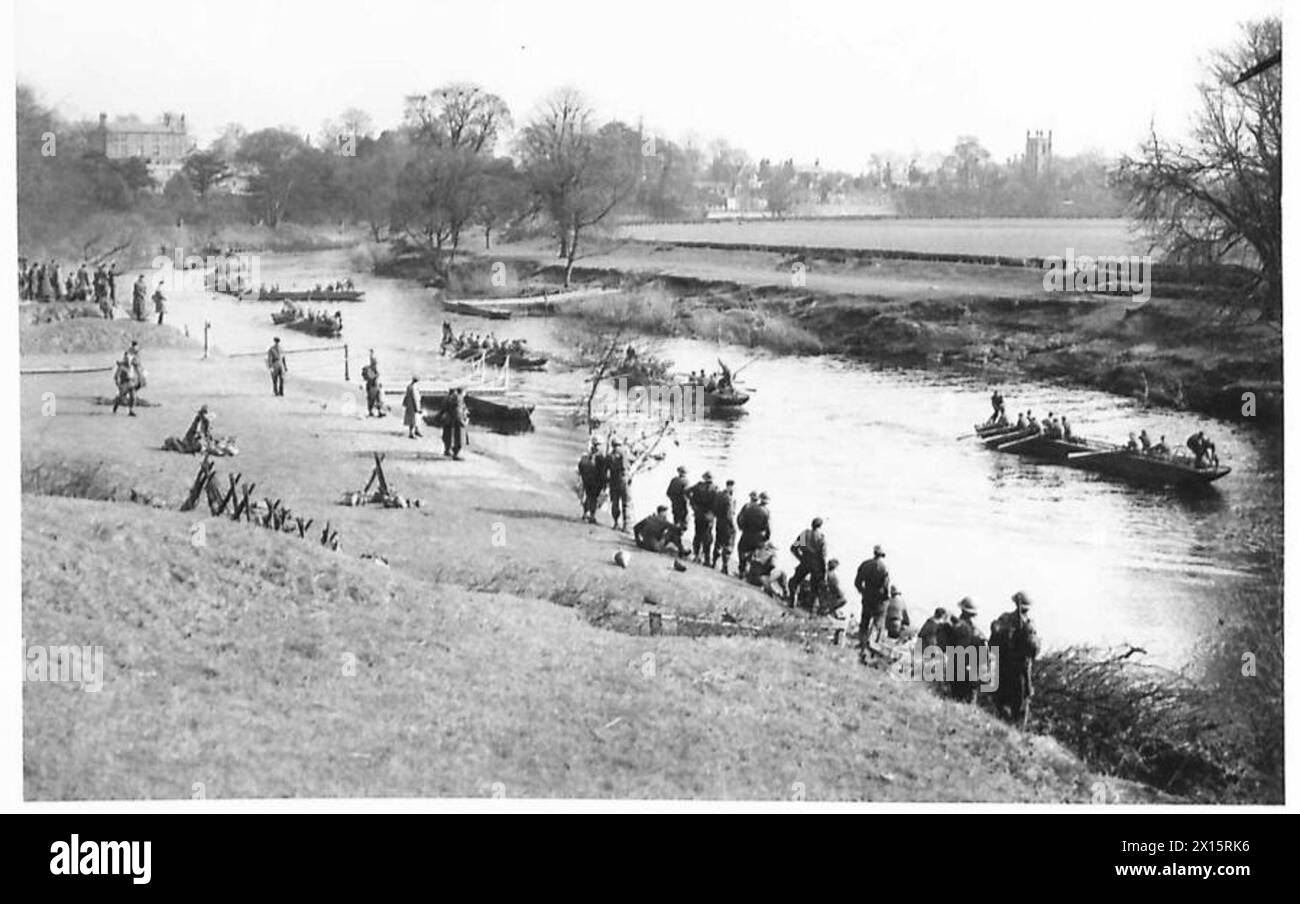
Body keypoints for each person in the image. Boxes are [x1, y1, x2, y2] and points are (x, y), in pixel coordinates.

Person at [989, 591, 1041, 729]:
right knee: (1020, 709)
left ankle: (1001, 730)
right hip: (1020, 672)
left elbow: (992, 644)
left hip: (1003, 669)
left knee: (1001, 704)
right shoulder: (1030, 625)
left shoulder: (1003, 619)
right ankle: (1014, 734)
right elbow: (1034, 651)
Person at [947, 598, 986, 703]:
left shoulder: (956, 627)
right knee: (968, 703)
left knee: (955, 699)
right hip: (971, 672)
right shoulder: (978, 632)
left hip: (956, 669)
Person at [854, 545, 890, 657]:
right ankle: (871, 645)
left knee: (864, 621)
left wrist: (862, 591)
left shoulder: (865, 564)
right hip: (878, 599)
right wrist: (886, 598)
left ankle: (862, 643)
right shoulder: (884, 568)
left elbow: (857, 582)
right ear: (882, 555)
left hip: (867, 596)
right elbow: (886, 587)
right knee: (877, 622)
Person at [789, 517, 827, 610]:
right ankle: (810, 610)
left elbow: (793, 548)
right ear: (820, 526)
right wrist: (824, 572)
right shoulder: (821, 538)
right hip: (816, 565)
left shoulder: (805, 534)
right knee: (814, 588)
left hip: (805, 561)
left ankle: (792, 601)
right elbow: (823, 557)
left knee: (793, 582)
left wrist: (800, 558)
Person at [735, 490, 769, 575]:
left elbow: (742, 519)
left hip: (747, 533)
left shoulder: (750, 508)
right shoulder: (767, 512)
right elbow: (768, 528)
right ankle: (748, 570)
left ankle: (741, 570)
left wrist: (742, 528)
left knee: (741, 550)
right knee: (753, 554)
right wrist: (766, 538)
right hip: (758, 536)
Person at [688, 471, 717, 561]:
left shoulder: (698, 486)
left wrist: (693, 505)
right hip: (708, 516)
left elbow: (687, 491)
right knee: (707, 536)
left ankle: (696, 554)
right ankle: (706, 557)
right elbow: (717, 503)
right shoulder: (715, 489)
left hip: (699, 514)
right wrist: (713, 513)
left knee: (697, 534)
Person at [577, 438, 606, 523]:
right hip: (596, 481)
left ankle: (585, 513)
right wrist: (603, 483)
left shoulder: (587, 455)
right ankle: (592, 516)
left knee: (588, 496)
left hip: (587, 480)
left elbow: (580, 467)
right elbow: (602, 471)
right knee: (593, 498)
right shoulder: (600, 457)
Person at [712, 478, 737, 574]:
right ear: (730, 487)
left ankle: (713, 563)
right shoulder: (729, 498)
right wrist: (733, 526)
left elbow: (714, 508)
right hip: (727, 524)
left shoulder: (719, 495)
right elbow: (729, 515)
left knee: (718, 542)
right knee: (728, 545)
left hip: (719, 521)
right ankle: (724, 566)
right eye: (733, 488)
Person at [605, 439, 629, 529]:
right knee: (625, 504)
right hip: (622, 481)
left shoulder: (609, 456)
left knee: (615, 503)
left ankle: (615, 523)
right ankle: (625, 525)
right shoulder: (623, 454)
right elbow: (624, 467)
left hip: (613, 482)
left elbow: (606, 470)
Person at [440, 387, 468, 458]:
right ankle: (456, 454)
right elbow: (458, 411)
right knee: (458, 438)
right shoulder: (459, 399)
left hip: (448, 419)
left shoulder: (448, 398)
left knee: (448, 436)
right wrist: (462, 421)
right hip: (456, 420)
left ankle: (448, 450)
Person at [666, 466, 690, 533]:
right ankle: (680, 535)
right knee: (684, 522)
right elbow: (687, 494)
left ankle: (675, 534)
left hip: (674, 503)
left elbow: (668, 493)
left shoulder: (674, 480)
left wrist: (673, 499)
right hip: (683, 504)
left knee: (676, 520)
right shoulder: (685, 481)